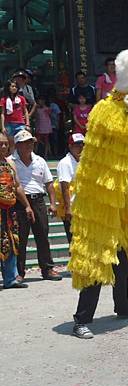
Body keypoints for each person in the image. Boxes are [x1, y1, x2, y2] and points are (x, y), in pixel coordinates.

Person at [68, 52, 128, 339]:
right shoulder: (104, 110)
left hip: (125, 198)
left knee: (124, 257)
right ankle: (81, 319)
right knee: (97, 257)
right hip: (99, 198)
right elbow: (113, 134)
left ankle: (123, 306)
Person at [10, 129, 61, 281]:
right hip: (19, 202)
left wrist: (52, 203)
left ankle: (47, 269)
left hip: (38, 200)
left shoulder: (40, 161)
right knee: (21, 238)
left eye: (30, 142)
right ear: (18, 145)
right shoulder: (11, 161)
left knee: (43, 236)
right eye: (25, 143)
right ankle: (19, 272)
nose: (29, 145)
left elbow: (49, 184)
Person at [0, 130, 32, 288]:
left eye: (6, 143)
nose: (4, 146)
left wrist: (27, 205)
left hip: (9, 210)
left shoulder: (10, 163)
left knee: (11, 242)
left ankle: (10, 278)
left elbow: (17, 186)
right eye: (1, 144)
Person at [55, 133, 84, 244]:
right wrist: (68, 208)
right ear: (70, 146)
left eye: (82, 144)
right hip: (72, 207)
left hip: (84, 207)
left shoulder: (85, 161)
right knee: (74, 240)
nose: (80, 147)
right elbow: (65, 187)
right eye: (77, 145)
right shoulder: (65, 163)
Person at [0, 80, 29, 149]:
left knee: (21, 143)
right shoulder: (3, 99)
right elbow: (2, 114)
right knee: (11, 144)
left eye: (16, 86)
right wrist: (3, 127)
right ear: (8, 88)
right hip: (8, 124)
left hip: (20, 124)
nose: (14, 88)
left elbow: (25, 111)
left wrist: (27, 124)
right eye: (12, 86)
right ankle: (12, 159)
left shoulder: (21, 99)